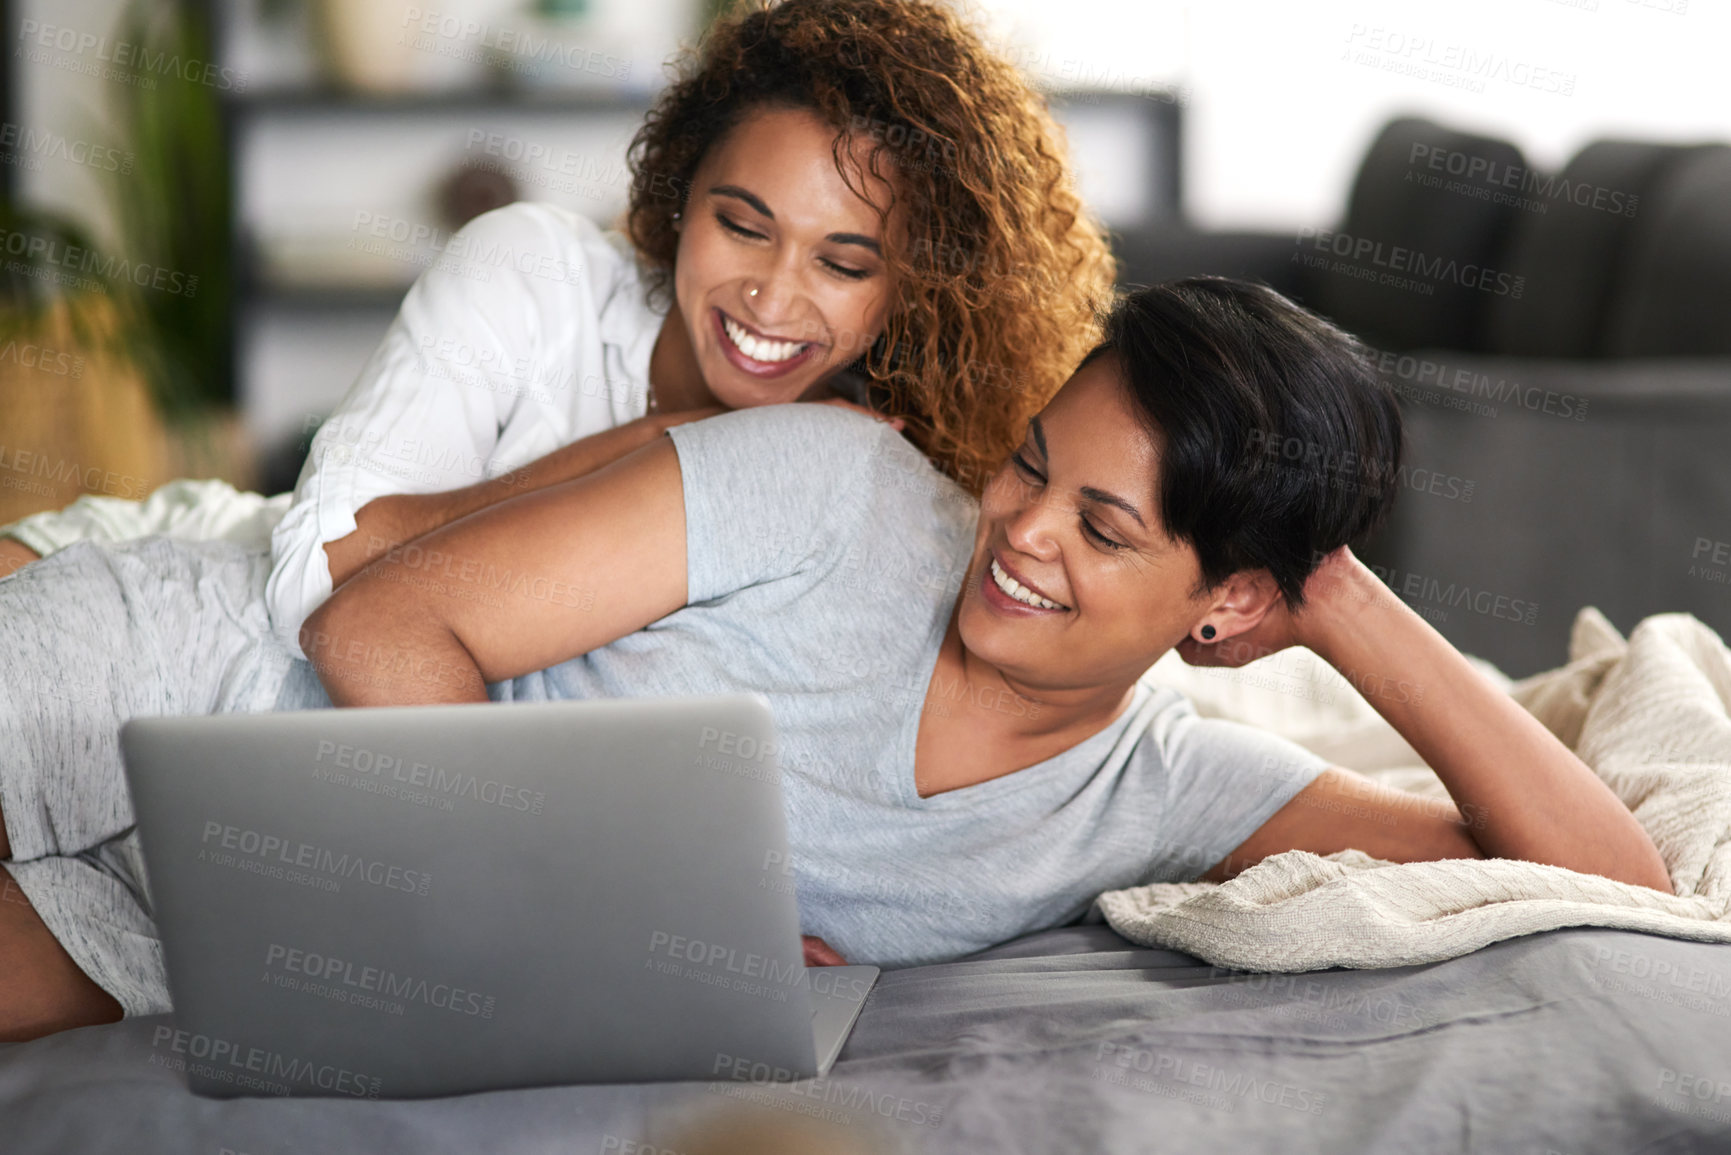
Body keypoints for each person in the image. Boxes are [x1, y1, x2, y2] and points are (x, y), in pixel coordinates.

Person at [0, 279, 1671, 1044]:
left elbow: (1610, 881)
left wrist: (1344, 602)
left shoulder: (1164, 792)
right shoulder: (840, 491)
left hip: (264, 897)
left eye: (1104, 531)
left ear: (1227, 608)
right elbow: (378, 624)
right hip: (179, 672)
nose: (1017, 534)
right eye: (1030, 466)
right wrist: (625, 914)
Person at [0, 0, 1115, 658]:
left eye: (845, 262)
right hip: (201, 568)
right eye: (742, 224)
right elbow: (316, 573)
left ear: (912, 287)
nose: (775, 298)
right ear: (682, 197)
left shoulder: (902, 460)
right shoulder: (534, 270)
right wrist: (651, 460)